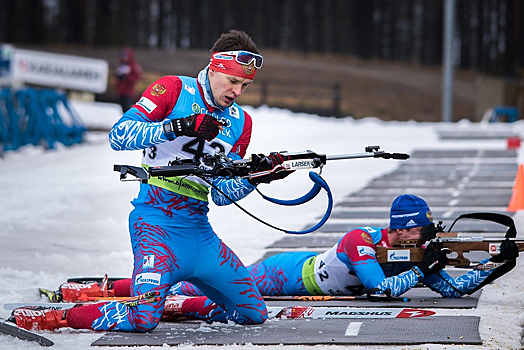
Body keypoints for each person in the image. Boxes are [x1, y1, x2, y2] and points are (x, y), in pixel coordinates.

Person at [12, 29, 293, 332]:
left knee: (253, 312)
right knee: (142, 319)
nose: (237, 92)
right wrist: (177, 127)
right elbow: (119, 135)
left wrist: (256, 176)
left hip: (200, 232)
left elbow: (222, 194)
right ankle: (57, 317)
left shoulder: (241, 122)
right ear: (214, 68)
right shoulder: (173, 89)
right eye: (233, 81)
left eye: (245, 85)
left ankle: (173, 303)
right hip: (156, 225)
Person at [36, 194, 519, 316]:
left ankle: (104, 290)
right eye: (419, 236)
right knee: (191, 295)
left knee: (190, 290)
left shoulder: (406, 254)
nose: (424, 243)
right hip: (277, 275)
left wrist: (495, 266)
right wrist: (421, 266)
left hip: (296, 270)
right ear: (401, 232)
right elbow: (380, 289)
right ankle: (97, 291)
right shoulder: (360, 241)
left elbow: (454, 288)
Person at [114, 47, 142, 112]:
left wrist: (127, 77)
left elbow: (137, 77)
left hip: (129, 92)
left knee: (127, 108)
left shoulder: (134, 66)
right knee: (120, 108)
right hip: (120, 91)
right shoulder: (121, 65)